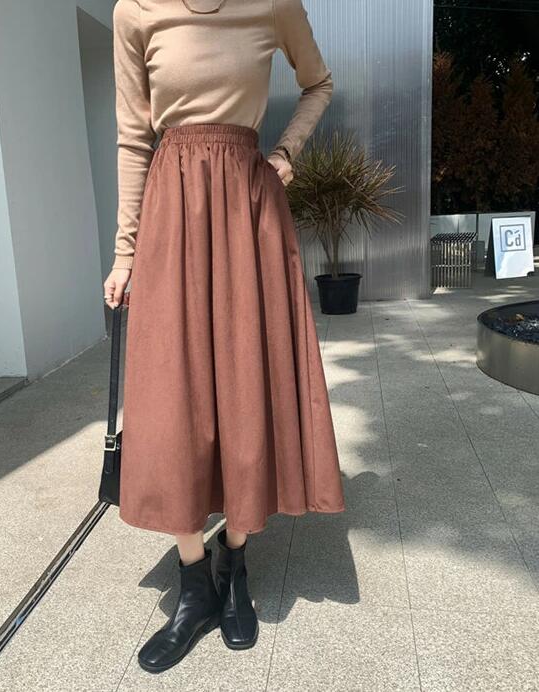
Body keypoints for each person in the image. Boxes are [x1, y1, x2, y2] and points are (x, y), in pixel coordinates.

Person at [102, 0, 345, 674]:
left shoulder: (270, 4)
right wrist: (124, 254)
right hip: (171, 214)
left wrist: (285, 151)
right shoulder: (135, 11)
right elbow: (133, 136)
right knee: (170, 396)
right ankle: (194, 588)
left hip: (246, 210)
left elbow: (318, 82)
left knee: (246, 383)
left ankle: (234, 563)